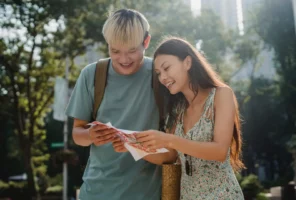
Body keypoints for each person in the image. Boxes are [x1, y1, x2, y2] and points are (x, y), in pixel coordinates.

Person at [65, 9, 162, 200]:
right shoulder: (92, 75)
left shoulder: (161, 75)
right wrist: (90, 135)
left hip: (148, 193)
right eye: (115, 51)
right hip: (96, 192)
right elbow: (77, 134)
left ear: (146, 42)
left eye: (132, 51)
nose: (124, 60)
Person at [132, 37, 244, 199]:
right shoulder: (177, 110)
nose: (163, 77)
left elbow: (220, 151)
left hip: (222, 195)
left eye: (167, 68)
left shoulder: (221, 95)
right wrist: (132, 146)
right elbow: (170, 156)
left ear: (187, 62)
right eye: (158, 73)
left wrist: (169, 140)